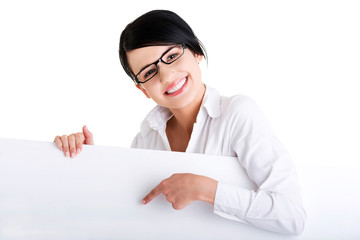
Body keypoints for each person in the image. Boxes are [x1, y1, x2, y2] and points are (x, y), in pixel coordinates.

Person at [54, 10, 306, 235]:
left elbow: (292, 216)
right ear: (142, 90)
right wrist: (87, 162)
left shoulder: (237, 113)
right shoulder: (145, 140)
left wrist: (206, 189)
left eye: (172, 56)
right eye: (149, 72)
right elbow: (130, 217)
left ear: (195, 51)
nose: (165, 75)